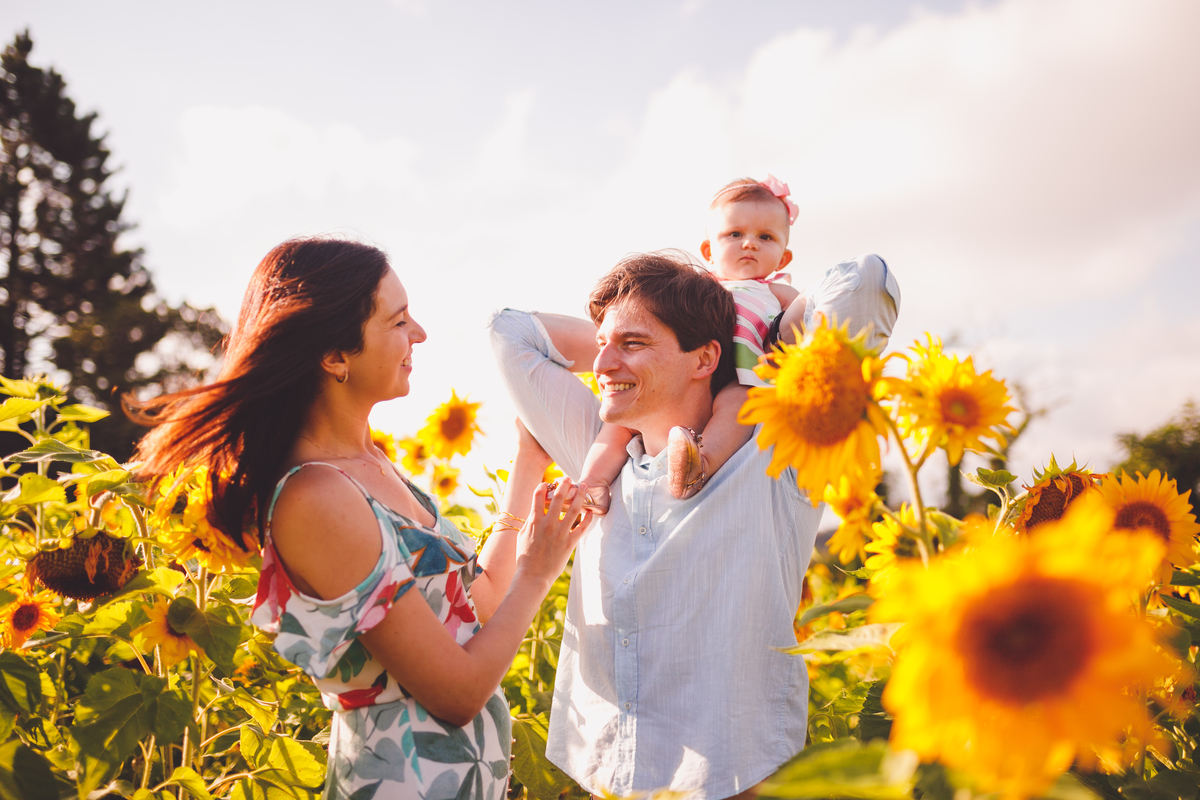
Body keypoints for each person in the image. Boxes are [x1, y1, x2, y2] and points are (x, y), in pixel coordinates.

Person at [126, 237, 591, 800]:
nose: (420, 334)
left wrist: (527, 464)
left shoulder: (372, 467)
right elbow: (458, 694)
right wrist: (539, 571)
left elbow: (481, 604)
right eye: (398, 321)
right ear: (335, 356)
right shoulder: (316, 497)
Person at [487, 249, 898, 799]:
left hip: (734, 782)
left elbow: (864, 283)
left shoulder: (774, 450)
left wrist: (753, 326)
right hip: (611, 780)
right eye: (602, 343)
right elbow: (508, 331)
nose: (601, 364)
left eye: (632, 343)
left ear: (705, 359)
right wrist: (633, 340)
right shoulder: (596, 456)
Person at [578, 176, 900, 512]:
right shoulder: (698, 287)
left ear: (783, 258)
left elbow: (808, 315)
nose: (749, 244)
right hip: (692, 374)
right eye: (735, 234)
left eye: (766, 237)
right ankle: (592, 484)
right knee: (618, 426)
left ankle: (701, 463)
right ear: (708, 251)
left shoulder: (777, 292)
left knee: (737, 407)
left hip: (742, 373)